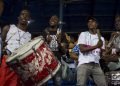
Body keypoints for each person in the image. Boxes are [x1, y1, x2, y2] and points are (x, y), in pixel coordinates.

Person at [0, 9, 31, 86]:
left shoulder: (29, 35)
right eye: (22, 14)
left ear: (29, 19)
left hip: (19, 64)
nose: (24, 16)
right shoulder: (8, 28)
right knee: (3, 83)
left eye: (27, 15)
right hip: (7, 60)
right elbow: (1, 44)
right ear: (18, 17)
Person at [76, 17, 107, 86]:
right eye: (89, 22)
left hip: (96, 64)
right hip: (84, 64)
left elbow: (102, 54)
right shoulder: (83, 34)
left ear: (97, 24)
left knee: (103, 84)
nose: (90, 23)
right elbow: (82, 49)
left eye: (92, 21)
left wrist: (103, 52)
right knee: (81, 84)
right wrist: (96, 46)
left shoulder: (101, 38)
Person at [43, 15, 69, 86]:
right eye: (51, 18)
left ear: (58, 22)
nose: (52, 20)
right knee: (43, 83)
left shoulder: (61, 33)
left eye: (55, 19)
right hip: (45, 63)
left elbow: (64, 51)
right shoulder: (45, 32)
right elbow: (40, 48)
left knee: (57, 83)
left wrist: (59, 43)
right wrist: (46, 42)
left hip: (57, 63)